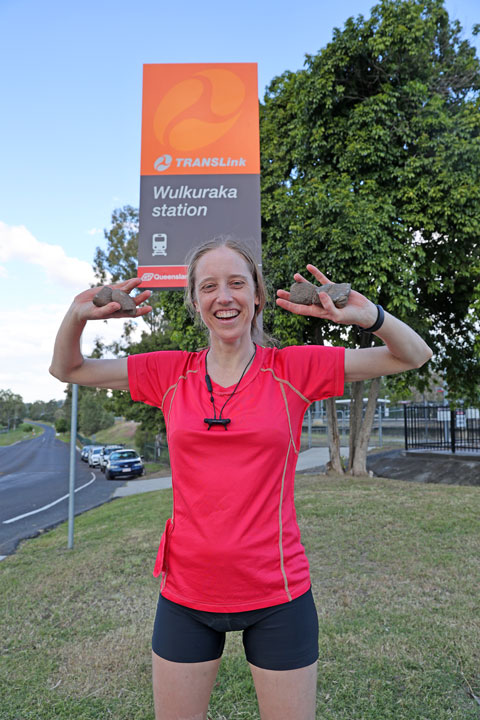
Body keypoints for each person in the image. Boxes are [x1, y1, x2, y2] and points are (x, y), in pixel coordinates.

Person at [50, 235, 432, 720]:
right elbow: (67, 368)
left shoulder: (294, 367)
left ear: (257, 294)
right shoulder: (169, 373)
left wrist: (368, 316)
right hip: (186, 594)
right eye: (209, 286)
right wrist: (77, 314)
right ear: (194, 301)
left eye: (236, 283)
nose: (223, 296)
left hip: (278, 593)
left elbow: (412, 355)